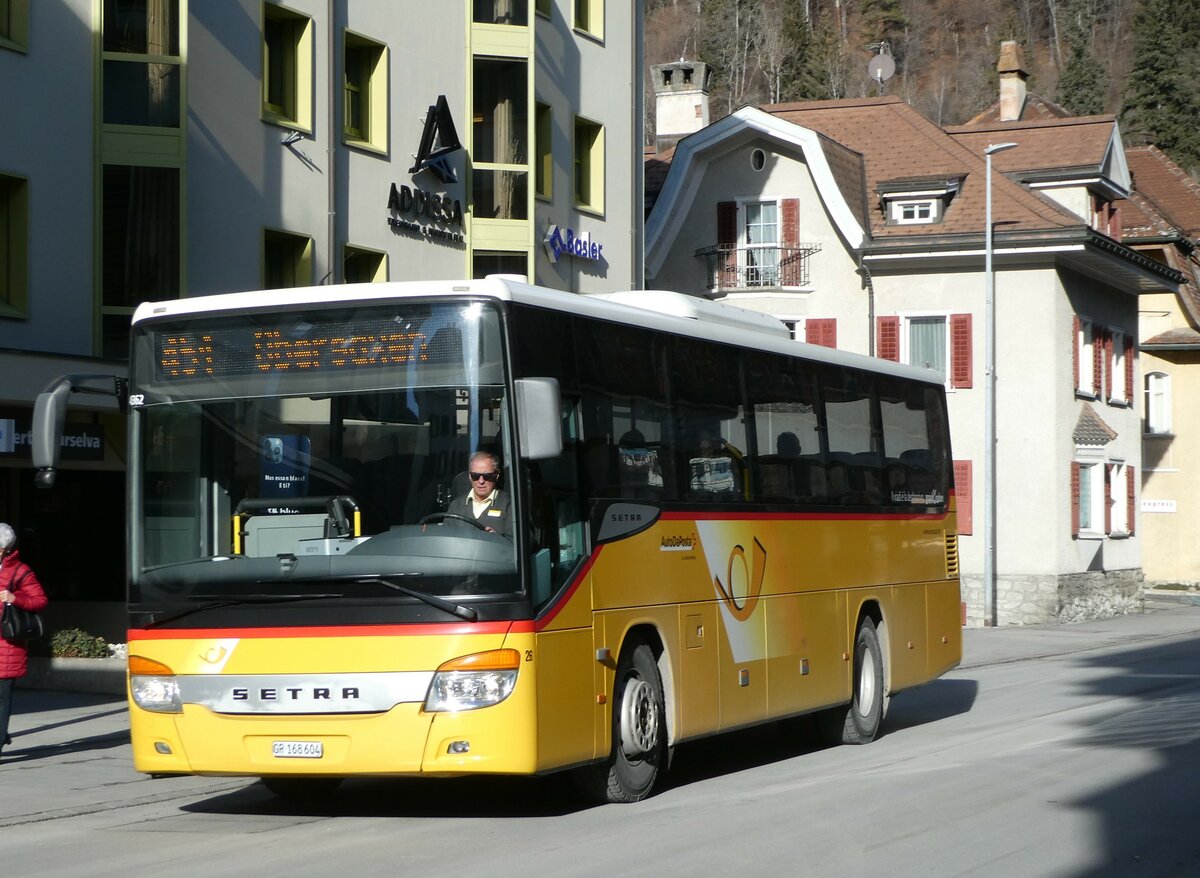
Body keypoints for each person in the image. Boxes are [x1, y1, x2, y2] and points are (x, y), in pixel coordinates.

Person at [0, 523, 48, 760]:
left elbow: (39, 601)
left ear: (4, 549)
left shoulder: (20, 571)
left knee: (1, 699)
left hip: (7, 646)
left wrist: (14, 598)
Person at [459, 451, 512, 538]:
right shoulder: (456, 505)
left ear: (497, 475)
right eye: (475, 476)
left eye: (487, 476)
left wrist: (498, 539)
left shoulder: (510, 505)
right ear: (469, 476)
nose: (481, 481)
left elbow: (524, 543)